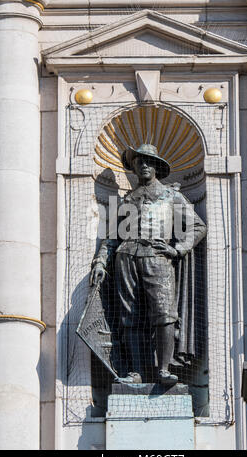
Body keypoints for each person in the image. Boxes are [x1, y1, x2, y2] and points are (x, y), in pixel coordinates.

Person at [90, 144, 207, 385]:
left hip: (158, 256)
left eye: (148, 161)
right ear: (133, 167)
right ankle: (136, 372)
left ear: (157, 167)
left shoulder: (171, 195)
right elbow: (112, 237)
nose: (143, 165)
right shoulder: (127, 199)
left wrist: (178, 249)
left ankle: (163, 369)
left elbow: (198, 226)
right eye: (139, 161)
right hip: (127, 257)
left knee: (164, 313)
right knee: (129, 316)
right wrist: (101, 262)